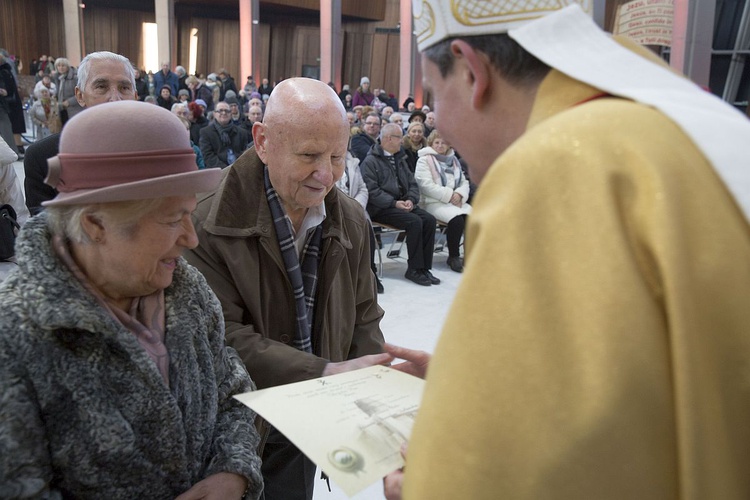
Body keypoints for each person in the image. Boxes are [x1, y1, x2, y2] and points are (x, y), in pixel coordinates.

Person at [388, 1, 750, 499]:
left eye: (432, 92)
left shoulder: (556, 163)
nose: (438, 121)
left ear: (471, 70)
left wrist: (431, 479)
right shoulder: (685, 125)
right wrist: (475, 378)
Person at [0, 100, 263, 499]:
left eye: (191, 214)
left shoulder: (186, 290)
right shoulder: (17, 336)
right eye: (173, 219)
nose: (191, 239)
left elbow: (232, 393)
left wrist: (234, 471)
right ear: (94, 223)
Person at [185, 77, 389, 500]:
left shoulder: (348, 218)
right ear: (262, 141)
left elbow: (363, 314)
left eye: (337, 157)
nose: (326, 175)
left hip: (310, 423)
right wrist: (326, 374)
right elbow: (223, 339)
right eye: (309, 155)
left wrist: (376, 392)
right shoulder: (207, 219)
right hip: (236, 425)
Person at [24, 51, 137, 216]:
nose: (115, 98)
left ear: (135, 96)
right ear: (80, 95)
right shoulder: (43, 158)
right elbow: (44, 233)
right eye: (101, 87)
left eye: (124, 87)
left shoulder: (163, 150)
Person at [361, 123, 439, 287]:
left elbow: (412, 183)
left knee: (430, 220)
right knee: (414, 222)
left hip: (403, 204)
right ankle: (414, 269)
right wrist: (394, 203)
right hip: (382, 208)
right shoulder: (370, 161)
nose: (402, 141)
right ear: (388, 138)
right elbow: (372, 191)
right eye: (399, 137)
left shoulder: (400, 158)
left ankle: (424, 267)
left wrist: (411, 199)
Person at [414, 129, 470, 273]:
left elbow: (464, 182)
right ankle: (453, 256)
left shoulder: (454, 160)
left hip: (455, 200)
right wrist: (450, 195)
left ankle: (471, 254)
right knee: (457, 220)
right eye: (436, 142)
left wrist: (459, 193)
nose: (440, 145)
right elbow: (425, 185)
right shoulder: (424, 159)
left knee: (474, 218)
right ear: (431, 144)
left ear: (449, 145)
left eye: (443, 143)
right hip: (432, 202)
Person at [198, 101, 249, 168]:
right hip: (217, 172)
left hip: (239, 170)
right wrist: (226, 170)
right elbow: (208, 156)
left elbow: (245, 154)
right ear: (214, 114)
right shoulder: (205, 132)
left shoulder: (242, 133)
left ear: (231, 114)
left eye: (227, 111)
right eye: (220, 111)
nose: (224, 113)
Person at [55, 57, 83, 123]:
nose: (61, 68)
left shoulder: (75, 77)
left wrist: (69, 102)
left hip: (74, 108)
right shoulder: (57, 78)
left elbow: (81, 92)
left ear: (67, 66)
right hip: (61, 108)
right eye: (59, 66)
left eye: (63, 66)